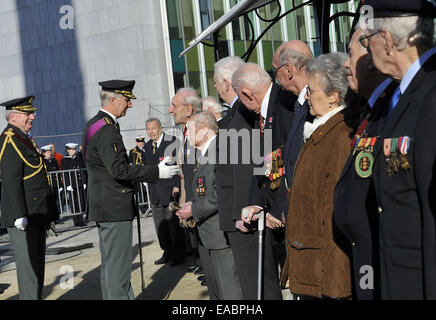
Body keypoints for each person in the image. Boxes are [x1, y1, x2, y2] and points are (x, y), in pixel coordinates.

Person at [362, 0, 436, 299]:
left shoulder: (430, 94)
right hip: (402, 274)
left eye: (368, 41)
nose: (368, 51)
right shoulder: (407, 91)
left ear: (388, 40)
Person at [81, 80, 179, 300]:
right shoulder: (106, 129)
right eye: (127, 100)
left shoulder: (95, 124)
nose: (130, 106)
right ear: (113, 100)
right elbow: (119, 170)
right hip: (114, 206)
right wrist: (156, 172)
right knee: (118, 269)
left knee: (111, 267)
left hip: (105, 204)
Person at [279, 53, 360, 300]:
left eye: (311, 91)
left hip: (325, 273)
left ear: (333, 96)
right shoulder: (322, 132)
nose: (306, 96)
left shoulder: (340, 136)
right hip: (313, 264)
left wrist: (335, 282)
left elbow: (333, 212)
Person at [333, 27, 398, 300]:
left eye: (351, 53)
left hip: (383, 254)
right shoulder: (373, 109)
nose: (346, 64)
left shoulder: (392, 105)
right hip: (364, 251)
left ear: (372, 56)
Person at [232, 62, 296, 300]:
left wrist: (279, 208)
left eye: (240, 97)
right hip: (274, 213)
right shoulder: (264, 112)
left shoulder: (285, 104)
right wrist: (258, 204)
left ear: (247, 93)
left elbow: (292, 163)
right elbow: (264, 166)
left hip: (288, 215)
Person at [176, 111, 243, 300]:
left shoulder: (220, 151)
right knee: (218, 290)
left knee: (230, 291)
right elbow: (207, 189)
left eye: (189, 129)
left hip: (220, 235)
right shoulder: (206, 154)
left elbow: (221, 193)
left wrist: (194, 209)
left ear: (205, 131)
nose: (186, 134)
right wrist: (193, 202)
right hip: (209, 236)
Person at [0, 96, 59, 300]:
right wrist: (19, 214)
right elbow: (10, 180)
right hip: (24, 216)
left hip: (36, 214)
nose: (32, 116)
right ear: (14, 116)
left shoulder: (24, 138)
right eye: (27, 113)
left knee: (37, 270)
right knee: (29, 274)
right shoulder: (10, 139)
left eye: (32, 113)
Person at [168, 88, 204, 279]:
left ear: (188, 109)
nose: (169, 110)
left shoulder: (201, 131)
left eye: (174, 106)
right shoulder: (188, 130)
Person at [143, 118, 185, 266]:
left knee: (173, 225)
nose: (151, 132)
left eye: (153, 128)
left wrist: (176, 185)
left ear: (160, 128)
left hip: (169, 190)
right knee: (160, 226)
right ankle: (167, 251)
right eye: (148, 129)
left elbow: (178, 164)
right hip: (155, 191)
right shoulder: (147, 146)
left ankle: (178, 254)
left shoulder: (172, 141)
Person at [213, 56, 246, 129]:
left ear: (226, 84)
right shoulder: (243, 106)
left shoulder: (243, 110)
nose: (214, 86)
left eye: (215, 82)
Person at [61, 143, 87, 226]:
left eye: (74, 150)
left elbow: (82, 170)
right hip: (71, 184)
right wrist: (67, 184)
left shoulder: (78, 158)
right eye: (71, 150)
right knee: (74, 202)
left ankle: (81, 219)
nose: (73, 151)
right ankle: (76, 221)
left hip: (79, 182)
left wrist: (84, 182)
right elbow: (65, 173)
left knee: (81, 201)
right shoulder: (64, 159)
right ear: (68, 150)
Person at [128, 136, 148, 213]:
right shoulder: (133, 151)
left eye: (142, 142)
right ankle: (143, 208)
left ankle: (149, 205)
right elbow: (131, 162)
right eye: (139, 142)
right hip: (139, 173)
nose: (141, 143)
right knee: (140, 191)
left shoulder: (147, 149)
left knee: (147, 191)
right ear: (137, 143)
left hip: (147, 172)